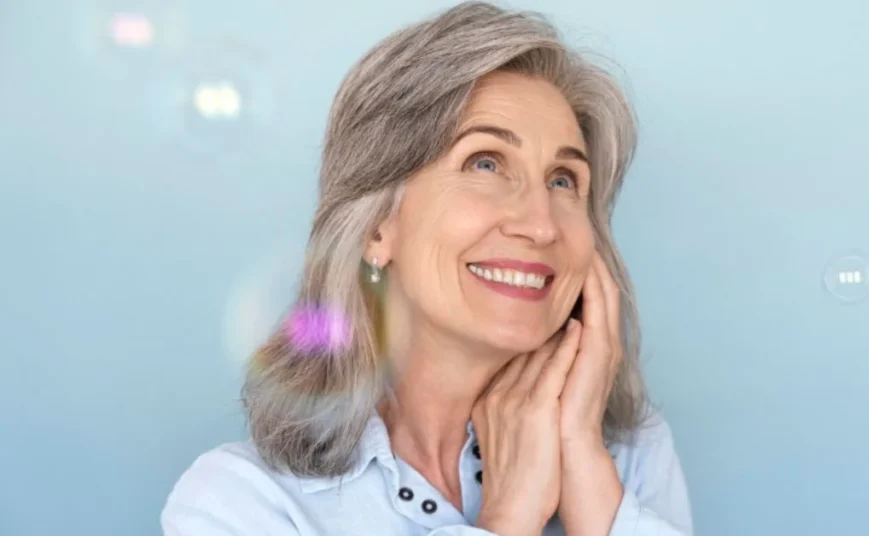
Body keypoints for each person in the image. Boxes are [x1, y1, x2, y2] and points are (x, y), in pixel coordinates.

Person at [162, 2, 694, 534]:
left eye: (562, 180)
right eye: (485, 163)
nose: (541, 225)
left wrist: (587, 474)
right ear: (376, 226)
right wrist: (509, 516)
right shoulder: (237, 502)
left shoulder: (630, 455)